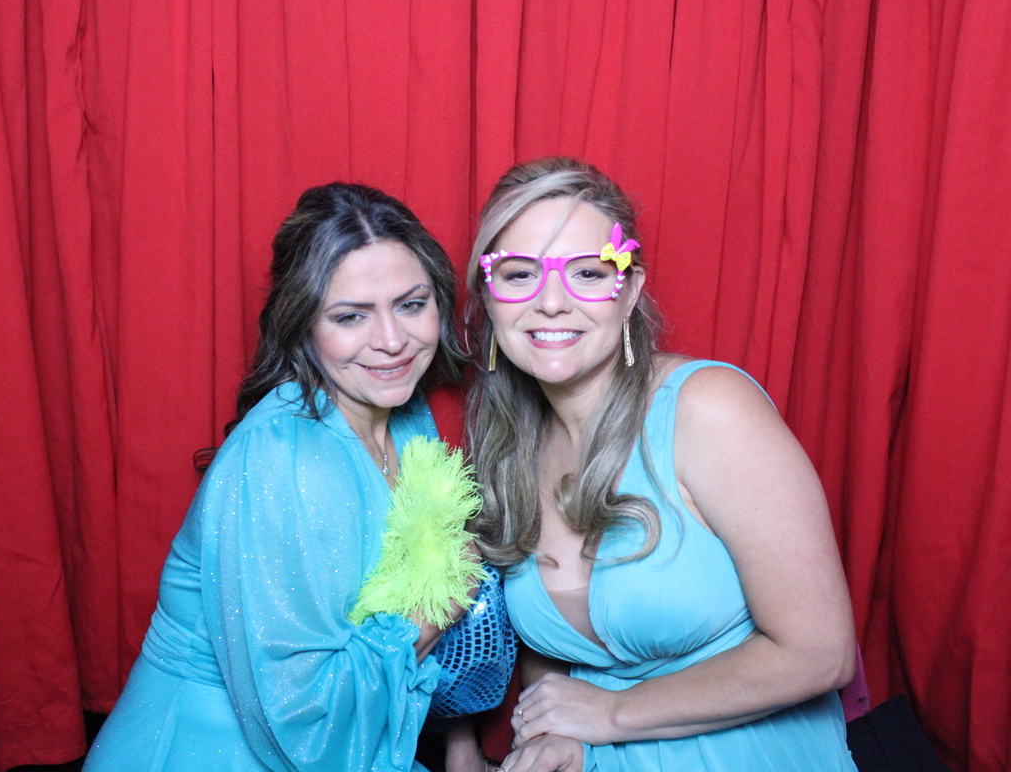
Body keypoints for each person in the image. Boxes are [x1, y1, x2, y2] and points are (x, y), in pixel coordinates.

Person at [464, 158, 858, 772]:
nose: (551, 302)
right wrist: (557, 738)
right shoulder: (506, 450)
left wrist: (610, 715)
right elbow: (555, 665)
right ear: (490, 298)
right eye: (519, 275)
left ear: (630, 292)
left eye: (588, 273)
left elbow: (820, 654)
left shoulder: (709, 409)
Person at [84, 182, 476, 771]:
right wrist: (440, 604)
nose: (393, 342)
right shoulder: (288, 459)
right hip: (213, 751)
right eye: (351, 316)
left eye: (411, 305)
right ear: (303, 326)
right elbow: (304, 720)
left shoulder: (405, 412)